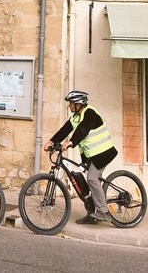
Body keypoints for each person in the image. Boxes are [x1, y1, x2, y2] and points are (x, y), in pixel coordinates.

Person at [43, 90, 118, 225]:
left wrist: (71, 142)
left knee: (92, 178)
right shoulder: (75, 117)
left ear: (78, 104)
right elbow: (65, 130)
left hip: (103, 153)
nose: (69, 106)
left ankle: (104, 212)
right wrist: (51, 141)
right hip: (91, 155)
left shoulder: (90, 113)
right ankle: (92, 215)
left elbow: (83, 129)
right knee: (88, 185)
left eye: (71, 103)